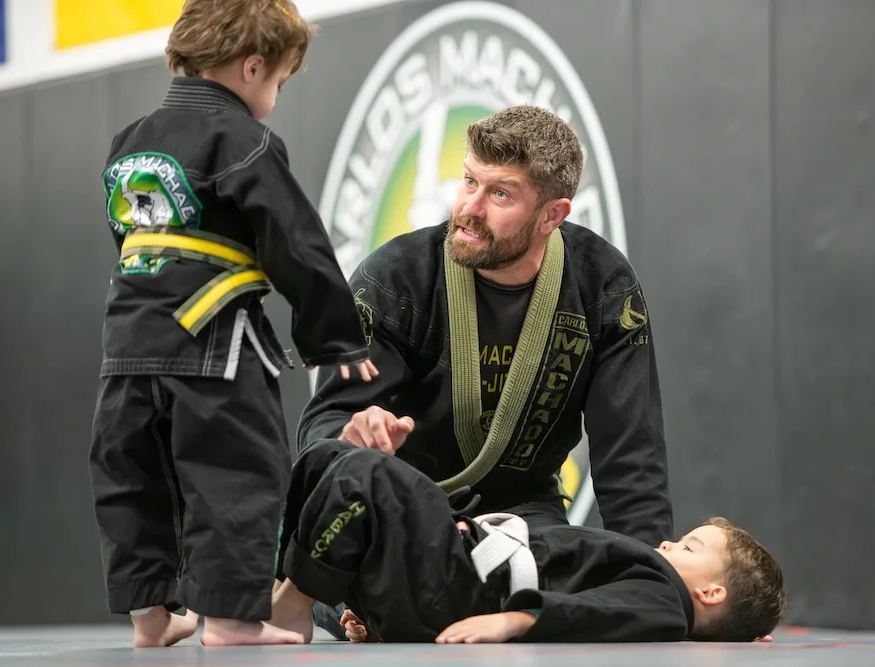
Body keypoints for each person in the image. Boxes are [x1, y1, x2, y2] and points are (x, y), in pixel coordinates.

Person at [297, 104, 673, 637]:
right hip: (400, 508)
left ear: (552, 215)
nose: (469, 208)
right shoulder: (395, 279)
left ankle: (398, 607)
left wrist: (653, 582)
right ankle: (364, 601)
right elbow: (321, 429)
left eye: (500, 193)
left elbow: (631, 458)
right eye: (469, 180)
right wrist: (348, 437)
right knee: (359, 554)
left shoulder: (603, 286)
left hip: (523, 516)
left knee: (570, 577)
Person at [88, 0, 377, 649]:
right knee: (235, 471)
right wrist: (334, 334)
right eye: (278, 81)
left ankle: (150, 615)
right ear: (253, 66)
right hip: (213, 340)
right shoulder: (243, 141)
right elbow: (296, 242)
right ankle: (232, 621)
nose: (273, 94)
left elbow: (131, 236)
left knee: (134, 470)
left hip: (129, 337)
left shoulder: (129, 139)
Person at [268, 440, 786, 644]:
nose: (671, 544)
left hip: (462, 595)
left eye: (691, 549)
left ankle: (290, 607)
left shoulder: (664, 599)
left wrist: (514, 619)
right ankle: (288, 592)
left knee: (365, 474)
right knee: (324, 460)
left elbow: (597, 614)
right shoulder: (657, 586)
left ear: (712, 594)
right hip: (456, 575)